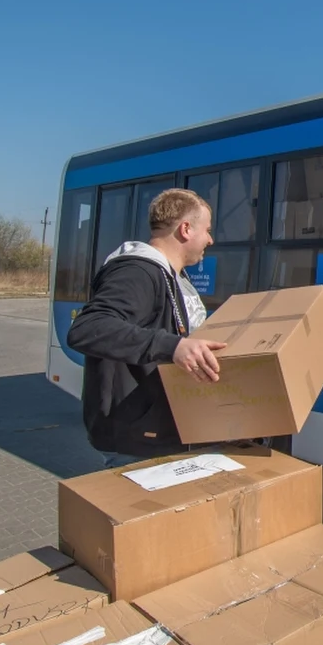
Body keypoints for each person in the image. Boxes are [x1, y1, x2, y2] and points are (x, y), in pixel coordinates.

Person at [67, 188, 226, 469]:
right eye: (208, 230)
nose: (210, 240)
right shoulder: (138, 272)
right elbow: (89, 327)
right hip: (139, 442)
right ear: (186, 229)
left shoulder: (170, 276)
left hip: (158, 433)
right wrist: (173, 346)